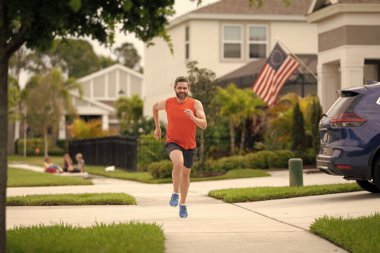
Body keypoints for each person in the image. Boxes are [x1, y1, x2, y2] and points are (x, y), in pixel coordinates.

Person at [153, 76, 207, 218]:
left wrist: (193, 118)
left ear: (188, 89)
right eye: (179, 88)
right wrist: (158, 128)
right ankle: (175, 194)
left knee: (186, 175)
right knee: (178, 163)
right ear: (175, 89)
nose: (182, 90)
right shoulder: (168, 103)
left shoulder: (195, 104)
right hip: (172, 141)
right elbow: (154, 107)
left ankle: (182, 204)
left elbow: (204, 124)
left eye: (184, 88)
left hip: (190, 145)